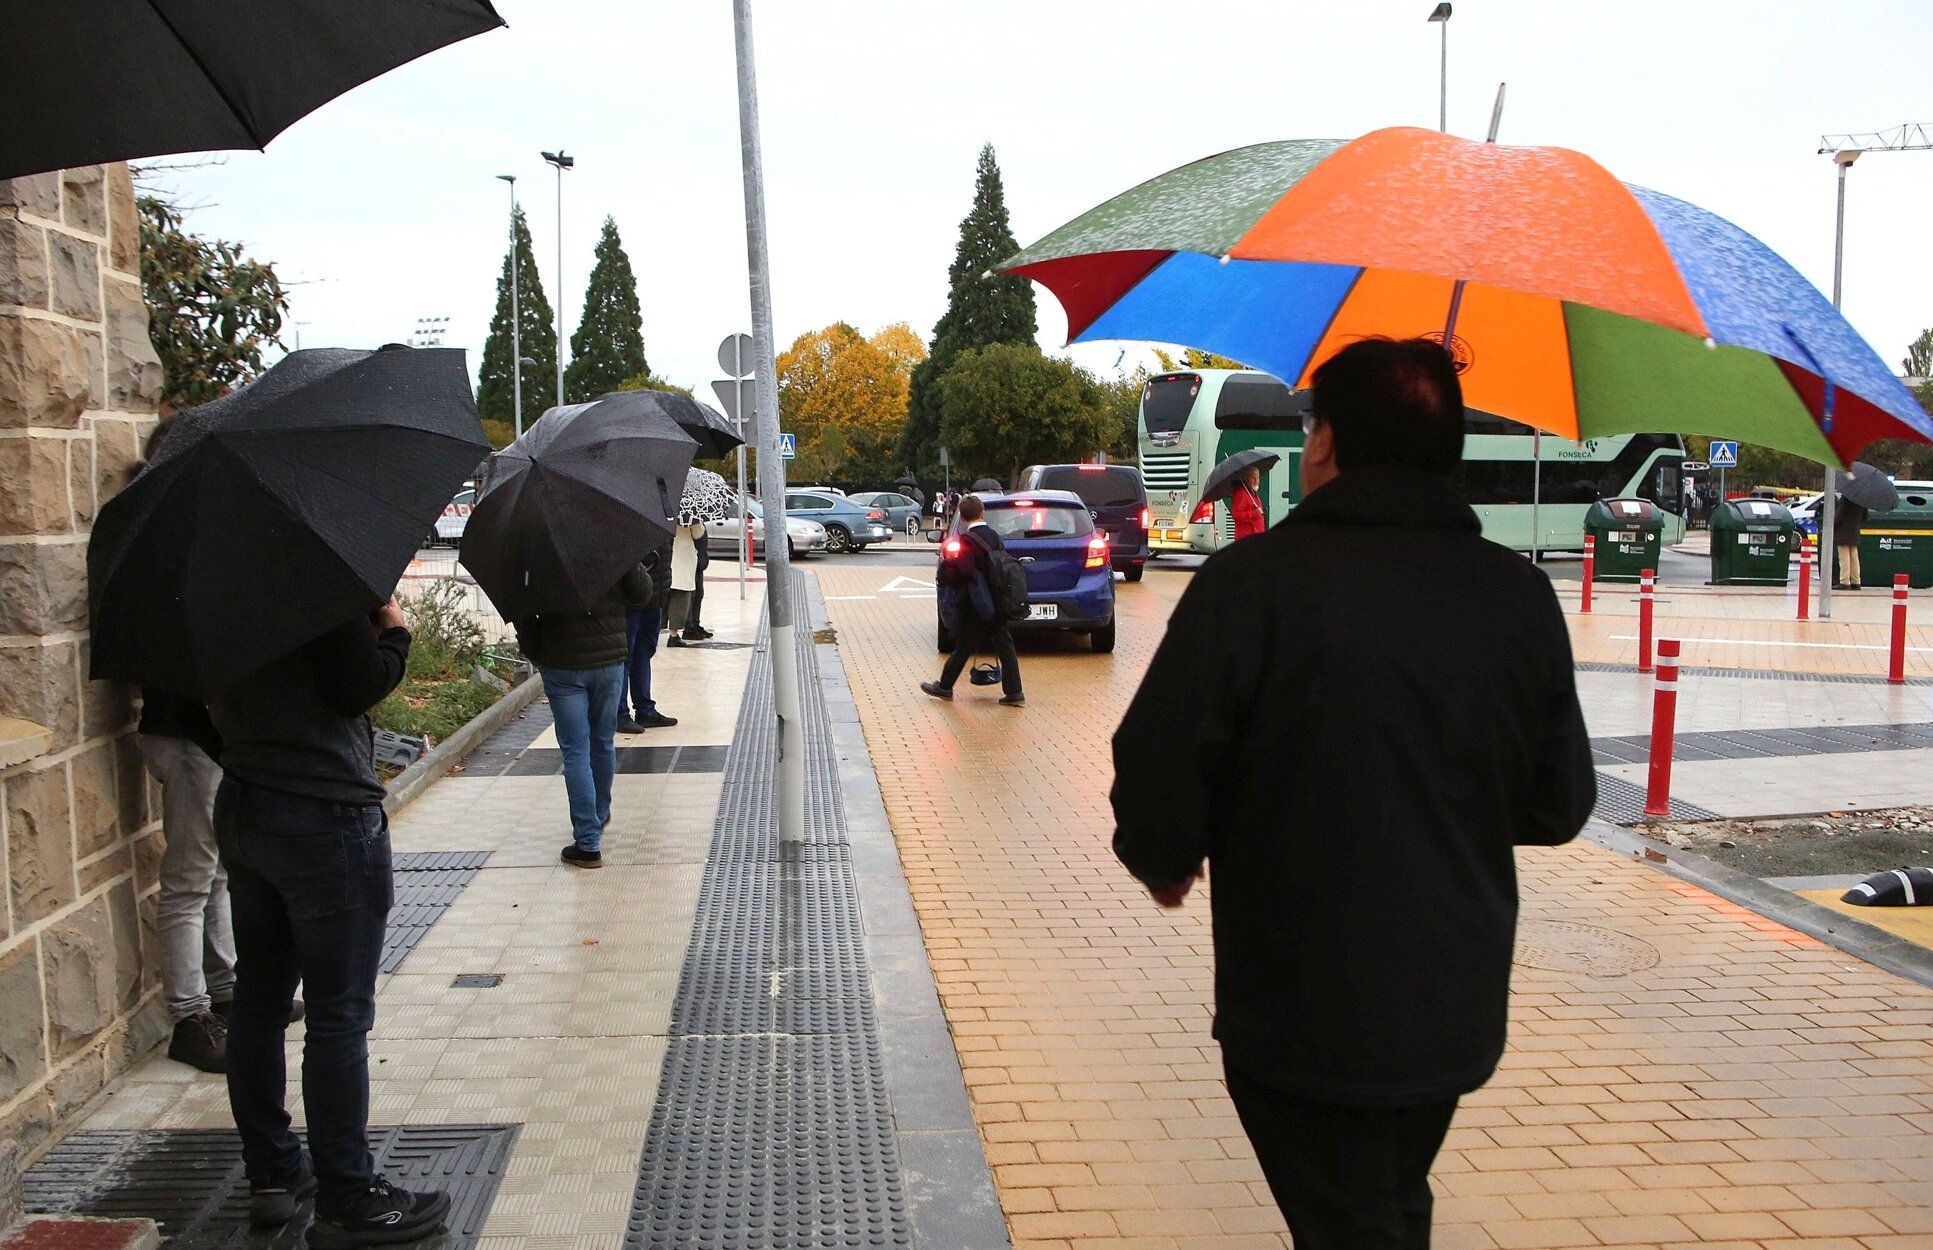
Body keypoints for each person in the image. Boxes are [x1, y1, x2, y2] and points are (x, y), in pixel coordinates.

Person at [1110, 337, 1596, 1250]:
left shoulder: (1251, 587)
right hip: (1451, 1008)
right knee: (1380, 1200)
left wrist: (1166, 858)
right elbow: (1559, 803)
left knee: (1351, 1218)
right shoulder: (1517, 596)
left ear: (1325, 444)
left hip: (1293, 1007)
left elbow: (1158, 758)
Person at [209, 599, 450, 1242]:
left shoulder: (211, 582)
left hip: (247, 803)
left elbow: (186, 704)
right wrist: (395, 633)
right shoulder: (315, 576)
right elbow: (356, 684)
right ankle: (347, 1194)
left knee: (258, 999)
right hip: (327, 813)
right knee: (338, 1014)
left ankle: (272, 1172)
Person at [515, 564, 652, 868]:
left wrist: (536, 652)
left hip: (561, 663)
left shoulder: (540, 550)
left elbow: (524, 612)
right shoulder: (609, 541)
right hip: (608, 660)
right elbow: (642, 595)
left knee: (576, 751)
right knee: (602, 742)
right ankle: (598, 816)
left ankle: (588, 842)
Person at [139, 689, 240, 1073]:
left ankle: (224, 990)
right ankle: (190, 1018)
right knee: (189, 879)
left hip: (198, 729)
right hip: (186, 734)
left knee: (213, 870)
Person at [921, 494, 1024, 707]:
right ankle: (1014, 692)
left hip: (976, 603)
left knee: (964, 645)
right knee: (1005, 645)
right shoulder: (994, 536)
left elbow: (966, 571)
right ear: (982, 513)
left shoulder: (967, 541)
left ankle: (945, 686)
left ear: (964, 517)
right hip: (997, 600)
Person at [617, 542, 678, 732]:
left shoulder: (663, 518)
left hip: (655, 597)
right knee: (625, 657)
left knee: (644, 654)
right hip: (631, 599)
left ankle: (645, 710)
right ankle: (620, 714)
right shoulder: (632, 517)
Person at [664, 520, 707, 647]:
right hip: (681, 559)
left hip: (665, 556)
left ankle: (655, 632)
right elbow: (698, 533)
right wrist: (699, 522)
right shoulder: (688, 514)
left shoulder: (661, 508)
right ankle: (673, 635)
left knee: (660, 599)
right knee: (680, 599)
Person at [1834, 494, 1868, 590]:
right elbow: (1865, 517)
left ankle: (1844, 581)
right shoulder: (1862, 499)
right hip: (1855, 530)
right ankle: (1856, 582)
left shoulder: (1846, 498)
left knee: (1844, 556)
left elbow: (1839, 515)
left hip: (1843, 531)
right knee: (1854, 556)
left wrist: (1831, 525)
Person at [1230, 464, 1267, 540]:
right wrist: (1254, 513)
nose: (1256, 481)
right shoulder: (1242, 494)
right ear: (1246, 479)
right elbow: (1236, 515)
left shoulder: (1253, 493)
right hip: (1246, 537)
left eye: (1258, 478)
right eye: (1253, 478)